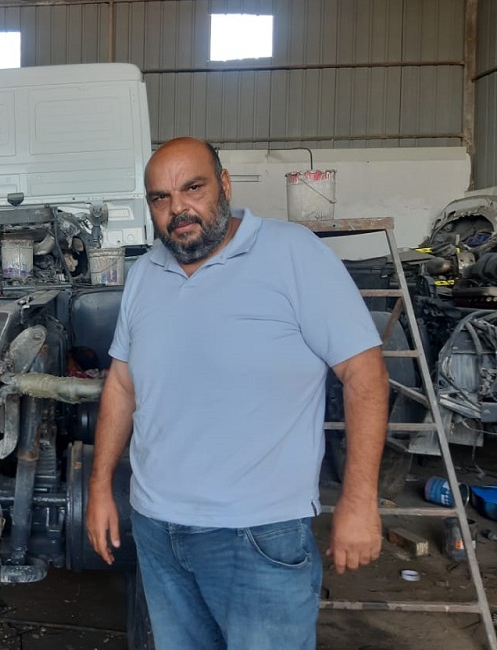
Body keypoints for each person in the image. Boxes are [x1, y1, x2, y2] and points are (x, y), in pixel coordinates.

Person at [85, 137, 388, 649]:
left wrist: (359, 501)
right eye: (161, 198)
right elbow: (121, 383)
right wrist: (99, 489)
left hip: (258, 535)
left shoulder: (293, 254)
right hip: (158, 530)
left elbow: (365, 375)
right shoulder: (144, 274)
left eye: (193, 188)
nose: (178, 209)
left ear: (224, 185)